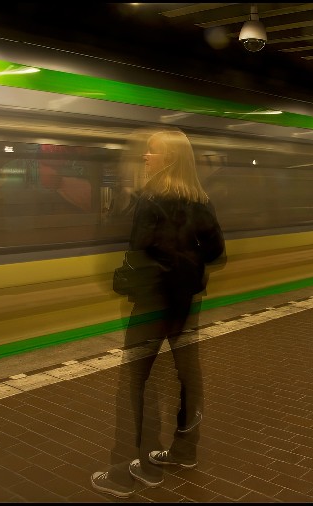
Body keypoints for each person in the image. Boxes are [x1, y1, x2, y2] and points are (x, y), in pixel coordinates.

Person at [91, 129, 225, 499]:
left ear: (169, 158)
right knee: (188, 377)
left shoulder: (150, 198)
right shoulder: (200, 199)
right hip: (185, 302)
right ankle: (184, 451)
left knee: (134, 383)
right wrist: (187, 260)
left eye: (152, 152)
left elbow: (137, 250)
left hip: (152, 303)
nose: (146, 157)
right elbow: (216, 252)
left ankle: (125, 473)